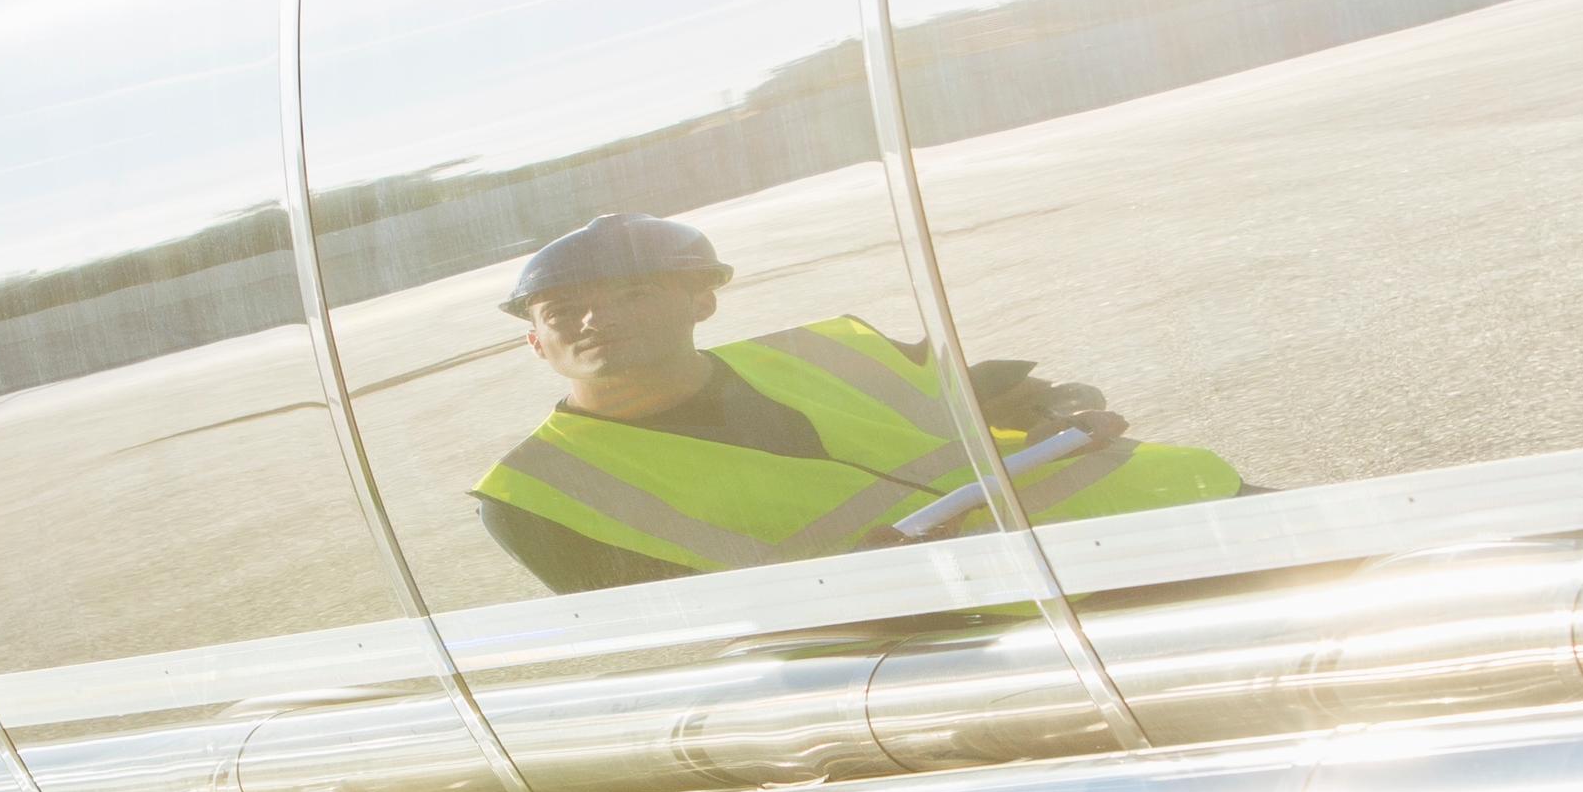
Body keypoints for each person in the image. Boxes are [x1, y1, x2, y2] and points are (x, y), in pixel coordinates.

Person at [473, 212, 1246, 594]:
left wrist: (1041, 406)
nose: (594, 319)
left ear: (701, 303)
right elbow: (694, 632)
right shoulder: (542, 495)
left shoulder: (829, 355)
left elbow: (994, 399)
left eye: (632, 292)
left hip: (1199, 516)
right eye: (560, 309)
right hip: (1003, 634)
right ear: (534, 343)